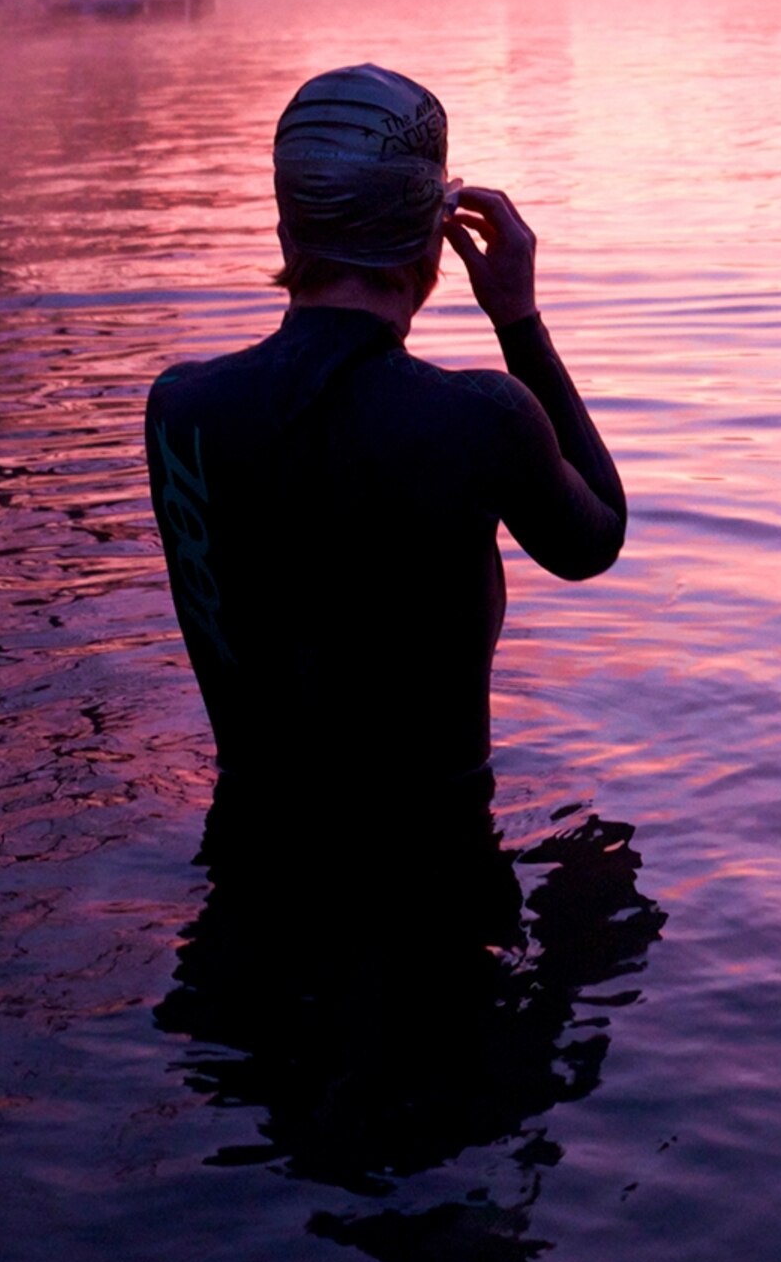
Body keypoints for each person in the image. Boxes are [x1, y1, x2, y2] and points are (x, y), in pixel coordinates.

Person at [144, 61, 627, 821]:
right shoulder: (480, 416)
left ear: (285, 228)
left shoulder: (179, 409)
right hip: (439, 873)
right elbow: (595, 536)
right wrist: (519, 320)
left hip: (249, 866)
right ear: (435, 238)